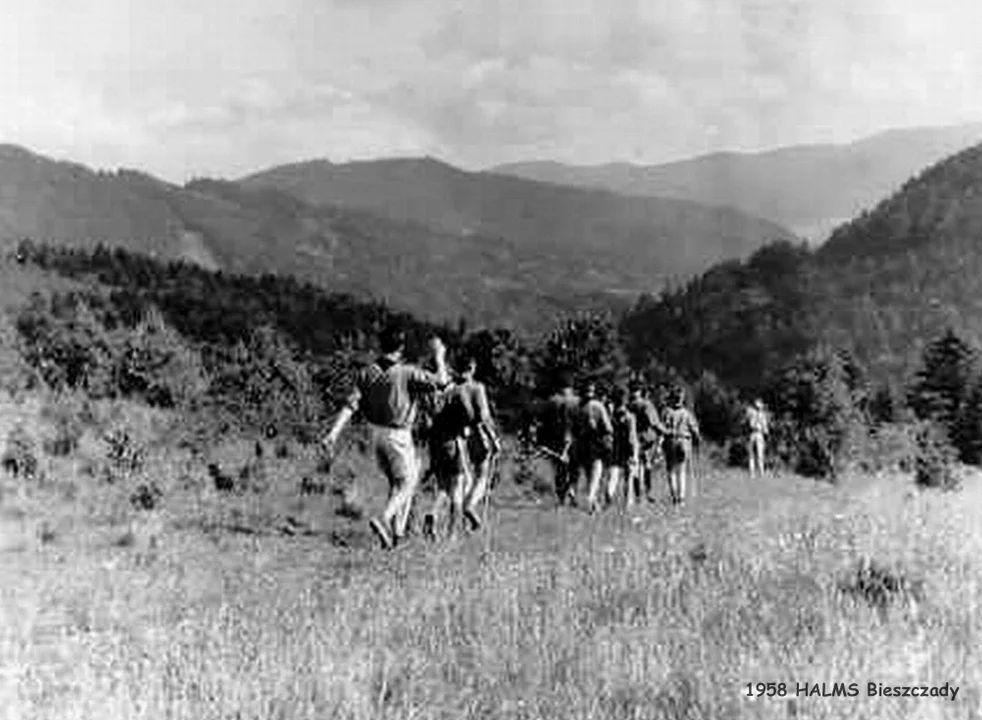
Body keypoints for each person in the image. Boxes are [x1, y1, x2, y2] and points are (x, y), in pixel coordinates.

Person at [322, 325, 451, 550]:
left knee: (396, 484)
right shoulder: (407, 372)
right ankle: (384, 518)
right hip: (398, 435)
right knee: (408, 484)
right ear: (401, 348)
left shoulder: (366, 373)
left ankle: (396, 536)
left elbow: (350, 405)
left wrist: (333, 433)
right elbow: (441, 381)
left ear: (380, 345)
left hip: (375, 434)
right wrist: (440, 355)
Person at [455, 355, 501, 531]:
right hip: (478, 435)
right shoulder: (477, 388)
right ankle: (470, 506)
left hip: (459, 436)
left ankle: (464, 521)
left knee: (466, 479)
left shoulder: (454, 387)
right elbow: (483, 416)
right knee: (481, 475)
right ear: (472, 367)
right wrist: (493, 439)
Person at [537, 373, 580, 506]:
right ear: (572, 386)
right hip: (575, 439)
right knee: (574, 468)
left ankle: (562, 498)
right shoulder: (577, 401)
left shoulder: (551, 401)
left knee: (559, 470)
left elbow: (543, 423)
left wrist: (541, 441)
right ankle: (571, 489)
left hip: (555, 439)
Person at [578, 378, 614, 514]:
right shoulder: (598, 405)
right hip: (597, 443)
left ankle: (595, 507)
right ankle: (590, 499)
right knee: (597, 475)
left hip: (582, 443)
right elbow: (608, 427)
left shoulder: (580, 407)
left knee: (589, 476)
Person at [662, 386, 701, 507]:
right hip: (684, 441)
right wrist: (697, 441)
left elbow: (663, 428)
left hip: (671, 441)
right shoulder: (687, 413)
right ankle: (681, 498)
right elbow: (695, 430)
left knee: (671, 471)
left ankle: (674, 498)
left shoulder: (667, 412)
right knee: (682, 470)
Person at [628, 382, 666, 502]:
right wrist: (665, 432)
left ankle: (638, 494)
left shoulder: (628, 405)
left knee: (636, 468)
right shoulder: (646, 405)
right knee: (646, 466)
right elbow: (654, 422)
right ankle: (648, 492)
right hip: (647, 439)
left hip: (633, 439)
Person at [607, 385, 641, 510]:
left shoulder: (611, 416)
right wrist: (634, 454)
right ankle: (627, 505)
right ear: (626, 400)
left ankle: (609, 496)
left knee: (613, 475)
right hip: (628, 449)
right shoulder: (630, 417)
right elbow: (632, 437)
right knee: (629, 477)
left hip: (615, 448)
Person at [746, 398, 770, 477]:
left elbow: (765, 426)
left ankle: (761, 472)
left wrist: (766, 431)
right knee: (751, 454)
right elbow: (750, 422)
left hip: (760, 434)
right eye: (757, 403)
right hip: (753, 433)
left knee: (760, 454)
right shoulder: (751, 412)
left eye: (760, 403)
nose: (759, 405)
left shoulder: (763, 414)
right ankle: (752, 472)